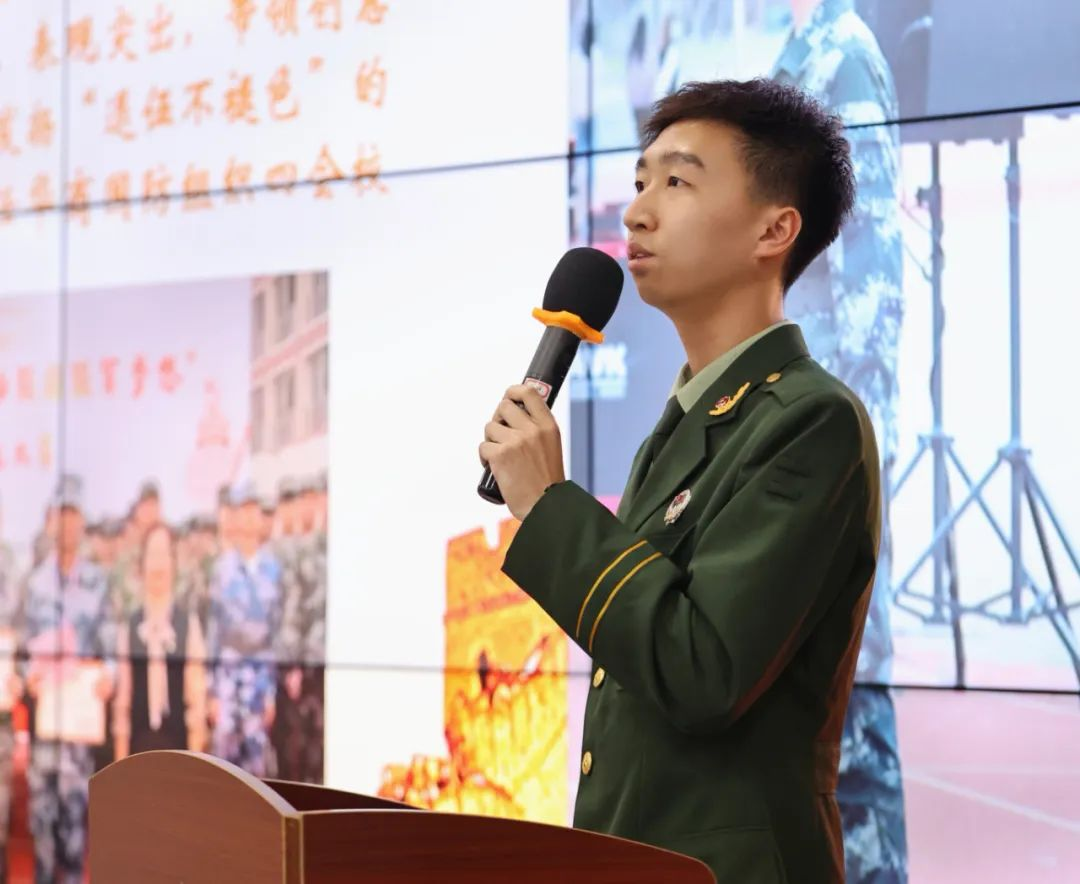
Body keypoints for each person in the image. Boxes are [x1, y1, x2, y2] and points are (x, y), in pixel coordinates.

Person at [482, 79, 878, 883]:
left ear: (775, 229)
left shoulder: (812, 420)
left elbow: (701, 670)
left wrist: (551, 507)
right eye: (639, 182)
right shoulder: (689, 418)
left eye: (677, 182)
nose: (637, 213)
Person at [771, 2, 908, 879]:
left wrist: (843, 448)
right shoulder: (796, 51)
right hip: (798, 436)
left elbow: (871, 280)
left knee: (849, 717)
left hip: (830, 447)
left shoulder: (841, 55)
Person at [20, 475, 115, 883]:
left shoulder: (97, 581)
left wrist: (109, 676)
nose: (67, 523)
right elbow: (20, 650)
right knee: (42, 837)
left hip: (78, 733)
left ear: (83, 521)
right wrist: (27, 675)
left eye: (74, 514)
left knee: (75, 840)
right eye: (61, 513)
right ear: (50, 521)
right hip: (45, 734)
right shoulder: (33, 583)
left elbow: (110, 647)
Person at [206, 482, 281, 776]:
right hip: (227, 678)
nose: (249, 518)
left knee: (256, 769)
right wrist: (212, 692)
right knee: (222, 769)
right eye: (243, 510)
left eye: (254, 510)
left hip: (259, 680)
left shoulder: (273, 569)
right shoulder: (222, 569)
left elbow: (276, 634)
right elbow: (214, 631)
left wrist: (271, 693)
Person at [113, 523, 207, 758]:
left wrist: (196, 764)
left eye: (164, 555)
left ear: (174, 564)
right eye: (152, 555)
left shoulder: (188, 624)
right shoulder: (129, 625)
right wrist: (120, 767)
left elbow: (197, 704)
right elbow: (122, 706)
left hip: (180, 751)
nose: (158, 564)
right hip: (137, 753)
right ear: (141, 565)